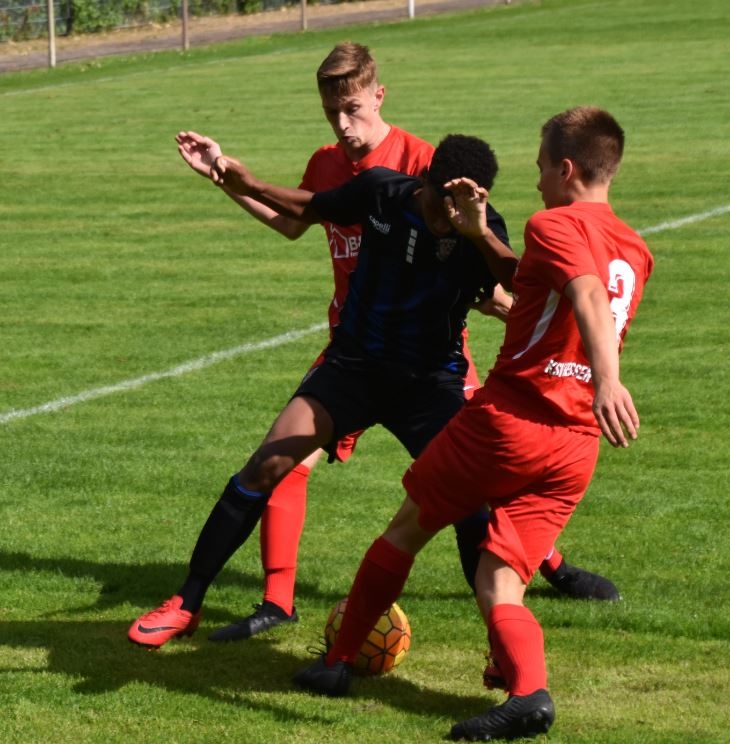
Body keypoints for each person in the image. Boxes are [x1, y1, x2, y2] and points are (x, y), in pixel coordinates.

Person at [160, 43, 617, 647]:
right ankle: (233, 601)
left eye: (352, 109)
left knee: (475, 499)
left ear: (378, 97)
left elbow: (510, 283)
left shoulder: (458, 195)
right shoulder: (362, 182)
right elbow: (301, 214)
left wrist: (485, 252)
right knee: (277, 461)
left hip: (431, 371)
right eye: (333, 114)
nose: (343, 126)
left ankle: (525, 608)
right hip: (354, 356)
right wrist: (233, 178)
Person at [292, 106, 655, 742]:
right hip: (576, 447)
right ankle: (528, 695)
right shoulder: (635, 248)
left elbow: (588, 297)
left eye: (542, 165)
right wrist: (480, 233)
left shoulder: (556, 222)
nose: (537, 179)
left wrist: (609, 377)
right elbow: (540, 284)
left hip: (511, 420)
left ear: (566, 168)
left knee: (408, 526)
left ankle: (338, 662)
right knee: (499, 574)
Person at [128, 133, 518, 649]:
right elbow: (310, 208)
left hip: (427, 385)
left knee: (471, 508)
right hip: (352, 367)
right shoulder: (382, 192)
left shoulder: (483, 229)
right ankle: (186, 603)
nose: (450, 216)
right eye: (444, 202)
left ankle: (499, 646)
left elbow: (524, 284)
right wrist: (249, 183)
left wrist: (479, 234)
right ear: (425, 181)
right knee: (264, 466)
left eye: (466, 203)